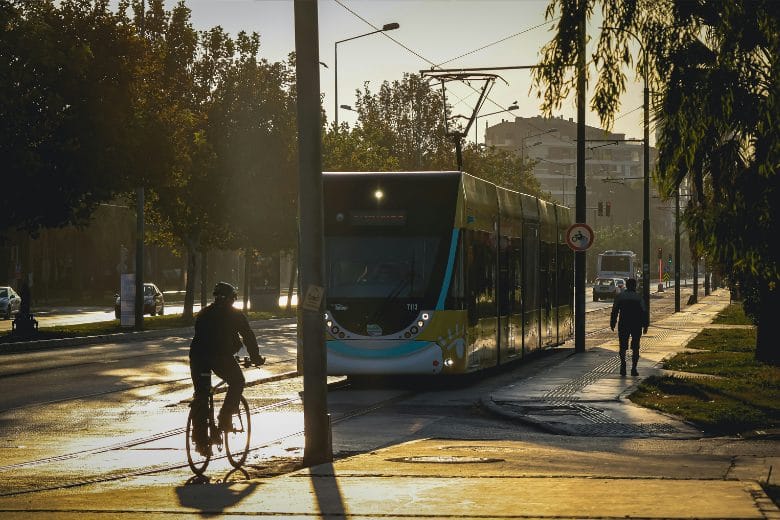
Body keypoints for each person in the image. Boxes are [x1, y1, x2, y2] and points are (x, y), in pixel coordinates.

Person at [189, 282, 264, 455]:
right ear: (232, 299)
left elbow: (200, 336)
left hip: (198, 358)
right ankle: (225, 416)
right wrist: (255, 358)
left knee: (202, 394)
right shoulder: (235, 315)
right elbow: (248, 336)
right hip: (220, 357)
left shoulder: (204, 313)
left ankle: (200, 440)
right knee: (238, 381)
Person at [610, 278, 648, 376]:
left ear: (626, 285)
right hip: (636, 324)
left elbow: (614, 311)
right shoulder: (639, 297)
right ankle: (634, 369)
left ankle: (623, 365)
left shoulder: (620, 296)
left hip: (624, 323)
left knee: (622, 346)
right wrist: (645, 325)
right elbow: (644, 312)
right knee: (635, 347)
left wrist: (613, 322)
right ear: (635, 286)